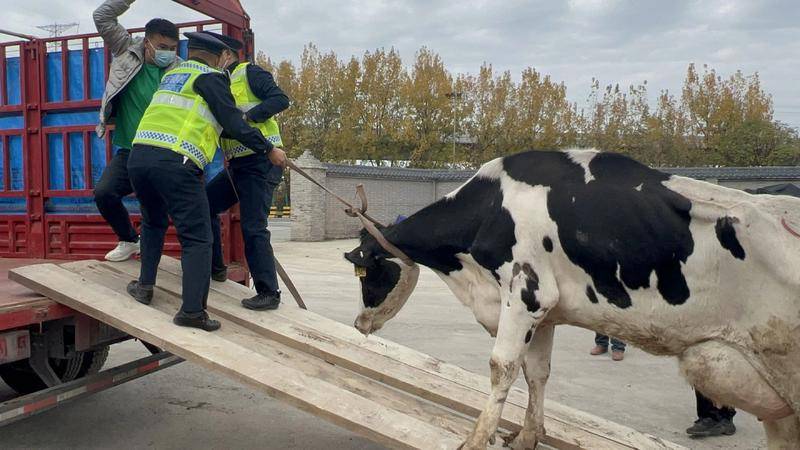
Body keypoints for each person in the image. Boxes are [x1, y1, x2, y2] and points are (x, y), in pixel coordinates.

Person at [125, 32, 287, 331]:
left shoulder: (175, 75)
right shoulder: (212, 78)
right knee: (198, 238)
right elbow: (231, 122)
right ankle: (193, 309)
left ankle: (146, 286)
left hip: (140, 159)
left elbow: (277, 101)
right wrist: (265, 146)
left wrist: (264, 146)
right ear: (219, 56)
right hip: (182, 161)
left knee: (155, 223)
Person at [203, 32, 290, 311]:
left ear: (227, 55)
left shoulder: (249, 73)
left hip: (262, 161)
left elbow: (280, 99)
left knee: (253, 227)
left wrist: (248, 118)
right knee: (205, 204)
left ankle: (269, 292)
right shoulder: (217, 82)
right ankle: (217, 267)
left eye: (215, 55)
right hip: (239, 164)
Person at [93, 0, 181, 262]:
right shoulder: (126, 49)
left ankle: (202, 263)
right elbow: (102, 17)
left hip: (163, 152)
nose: (168, 53)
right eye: (162, 47)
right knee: (104, 193)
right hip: (130, 149)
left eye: (173, 48)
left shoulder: (179, 68)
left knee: (160, 211)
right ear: (147, 42)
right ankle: (129, 240)